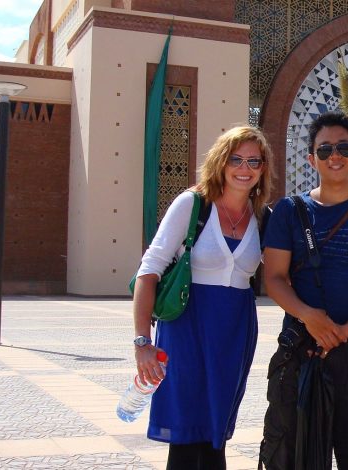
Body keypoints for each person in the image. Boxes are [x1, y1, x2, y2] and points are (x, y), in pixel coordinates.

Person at [259, 111, 348, 469]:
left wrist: (344, 331)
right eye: (324, 150)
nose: (334, 156)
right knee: (290, 456)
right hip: (299, 352)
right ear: (311, 159)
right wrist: (309, 317)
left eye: (342, 147)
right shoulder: (289, 212)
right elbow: (273, 277)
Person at [131, 126, 273, 469]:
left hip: (234, 334)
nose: (245, 168)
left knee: (215, 435)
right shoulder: (192, 204)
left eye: (254, 160)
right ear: (221, 162)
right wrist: (142, 342)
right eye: (236, 159)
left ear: (263, 168)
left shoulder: (262, 216)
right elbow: (148, 270)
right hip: (186, 329)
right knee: (184, 435)